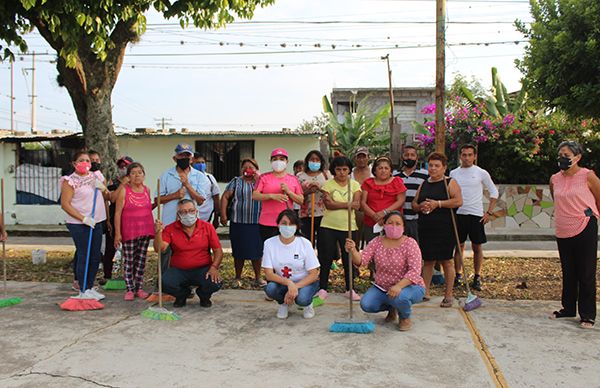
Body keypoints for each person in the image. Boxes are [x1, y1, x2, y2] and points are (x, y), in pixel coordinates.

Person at [345, 211, 426, 331]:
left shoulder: (410, 244)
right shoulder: (376, 242)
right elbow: (362, 261)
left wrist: (398, 286)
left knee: (399, 297)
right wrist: (353, 251)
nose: (394, 226)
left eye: (398, 224)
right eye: (390, 223)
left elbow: (415, 271)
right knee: (366, 304)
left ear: (404, 227)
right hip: (383, 287)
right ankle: (391, 308)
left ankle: (404, 317)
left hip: (409, 286)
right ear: (384, 225)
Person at [549, 140, 600, 329]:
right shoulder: (554, 178)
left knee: (586, 272)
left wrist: (592, 215)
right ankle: (568, 308)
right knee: (568, 271)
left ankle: (587, 314)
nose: (562, 158)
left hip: (585, 225)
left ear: (577, 157)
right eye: (560, 155)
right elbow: (557, 199)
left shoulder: (588, 176)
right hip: (563, 229)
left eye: (567, 155)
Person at [412, 152, 463, 307]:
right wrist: (421, 207)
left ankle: (448, 295)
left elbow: (458, 201)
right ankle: (425, 292)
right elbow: (414, 203)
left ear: (444, 168)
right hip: (426, 226)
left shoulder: (450, 182)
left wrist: (438, 204)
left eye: (437, 166)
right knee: (427, 261)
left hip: (445, 227)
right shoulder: (424, 183)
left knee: (446, 261)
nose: (433, 169)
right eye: (431, 165)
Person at [153, 199, 223, 308]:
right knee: (164, 282)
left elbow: (218, 251)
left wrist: (214, 267)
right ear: (178, 215)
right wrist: (158, 233)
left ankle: (204, 296)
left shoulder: (207, 227)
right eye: (184, 212)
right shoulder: (170, 228)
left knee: (215, 282)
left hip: (203, 269)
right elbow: (160, 249)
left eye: (191, 211)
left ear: (196, 212)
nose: (188, 214)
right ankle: (182, 295)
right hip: (179, 270)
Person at [60, 151, 109, 300]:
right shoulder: (69, 181)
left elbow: (106, 193)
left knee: (95, 256)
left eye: (87, 160)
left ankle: (89, 286)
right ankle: (82, 288)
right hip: (79, 224)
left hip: (96, 222)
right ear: (75, 164)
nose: (85, 163)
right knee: (84, 255)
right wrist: (83, 218)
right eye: (81, 160)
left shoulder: (95, 177)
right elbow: (65, 204)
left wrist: (102, 187)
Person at [450, 144, 499, 291]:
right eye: (464, 155)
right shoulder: (453, 173)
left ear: (475, 156)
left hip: (476, 214)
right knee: (459, 247)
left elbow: (494, 192)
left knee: (477, 247)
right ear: (460, 156)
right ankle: (457, 275)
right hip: (459, 214)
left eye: (470, 155)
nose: (467, 158)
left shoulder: (481, 172)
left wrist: (489, 212)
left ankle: (477, 276)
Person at [157, 144, 208, 278]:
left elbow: (201, 200)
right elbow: (158, 199)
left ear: (191, 159)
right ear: (175, 158)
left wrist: (187, 185)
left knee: (187, 255)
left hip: (189, 222)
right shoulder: (166, 175)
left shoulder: (199, 176)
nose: (184, 158)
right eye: (181, 155)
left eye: (187, 156)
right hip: (169, 222)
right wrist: (175, 195)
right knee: (166, 253)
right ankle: (164, 284)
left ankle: (186, 284)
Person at [317, 155, 362, 300]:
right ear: (333, 170)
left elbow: (357, 204)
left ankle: (350, 289)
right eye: (338, 169)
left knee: (348, 257)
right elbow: (328, 204)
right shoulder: (327, 185)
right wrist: (347, 204)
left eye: (345, 169)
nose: (342, 172)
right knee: (326, 257)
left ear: (349, 170)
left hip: (349, 226)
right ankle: (323, 288)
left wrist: (338, 203)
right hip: (328, 226)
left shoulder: (354, 185)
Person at [263, 209, 320, 319]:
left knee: (302, 299)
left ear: (297, 226)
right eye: (284, 223)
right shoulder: (269, 243)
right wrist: (289, 283)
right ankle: (283, 303)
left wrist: (295, 286)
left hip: (305, 282)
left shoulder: (304, 243)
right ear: (278, 225)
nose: (287, 227)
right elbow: (269, 274)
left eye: (291, 224)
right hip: (283, 282)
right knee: (270, 289)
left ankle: (308, 305)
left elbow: (314, 273)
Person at [220, 158, 265, 288]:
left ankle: (258, 277)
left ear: (256, 169)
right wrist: (223, 215)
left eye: (251, 167)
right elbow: (225, 197)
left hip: (256, 222)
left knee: (257, 251)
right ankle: (237, 277)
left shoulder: (261, 182)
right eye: (244, 167)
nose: (247, 170)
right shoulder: (236, 182)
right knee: (238, 251)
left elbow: (268, 194)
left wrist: (259, 180)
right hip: (238, 222)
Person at [113, 162, 155, 301]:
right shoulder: (124, 190)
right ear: (129, 176)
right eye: (133, 173)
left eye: (140, 172)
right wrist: (118, 233)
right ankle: (130, 288)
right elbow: (117, 213)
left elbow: (148, 208)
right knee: (129, 260)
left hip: (145, 229)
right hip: (129, 230)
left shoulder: (147, 190)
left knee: (141, 260)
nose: (137, 175)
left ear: (144, 175)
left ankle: (139, 287)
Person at [252, 148, 304, 242]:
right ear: (271, 161)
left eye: (281, 159)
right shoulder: (264, 177)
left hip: (287, 223)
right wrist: (271, 196)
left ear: (287, 161)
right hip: (266, 222)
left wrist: (289, 192)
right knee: (268, 250)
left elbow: (301, 200)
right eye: (275, 159)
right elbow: (255, 195)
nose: (278, 161)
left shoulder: (293, 179)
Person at [101, 155, 134, 285]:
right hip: (115, 219)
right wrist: (108, 220)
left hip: (130, 220)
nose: (123, 168)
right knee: (110, 248)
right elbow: (111, 199)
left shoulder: (136, 183)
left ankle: (130, 277)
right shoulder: (113, 183)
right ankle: (107, 276)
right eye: (121, 166)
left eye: (126, 166)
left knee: (130, 250)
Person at [360, 156, 407, 244]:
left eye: (386, 168)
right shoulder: (368, 183)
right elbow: (363, 202)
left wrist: (385, 213)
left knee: (393, 249)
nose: (383, 170)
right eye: (380, 168)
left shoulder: (397, 181)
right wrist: (374, 216)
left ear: (390, 171)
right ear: (374, 170)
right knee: (372, 249)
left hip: (393, 222)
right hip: (371, 222)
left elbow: (401, 201)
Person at [394, 145, 428, 240]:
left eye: (412, 155)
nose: (409, 157)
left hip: (417, 219)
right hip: (399, 218)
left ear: (417, 158)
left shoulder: (425, 175)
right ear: (402, 157)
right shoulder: (394, 175)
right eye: (406, 155)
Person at [296, 150, 330, 244]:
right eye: (312, 159)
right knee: (306, 241)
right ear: (307, 161)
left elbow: (331, 192)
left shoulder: (326, 175)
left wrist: (320, 188)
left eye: (317, 160)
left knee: (323, 242)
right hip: (305, 214)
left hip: (323, 214)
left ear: (321, 162)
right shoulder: (300, 176)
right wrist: (308, 191)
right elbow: (296, 194)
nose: (314, 162)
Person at [192, 152, 221, 228]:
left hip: (206, 216)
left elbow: (216, 197)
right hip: (189, 216)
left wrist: (216, 217)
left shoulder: (210, 178)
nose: (201, 165)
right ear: (191, 163)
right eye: (197, 163)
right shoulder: (187, 177)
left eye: (203, 162)